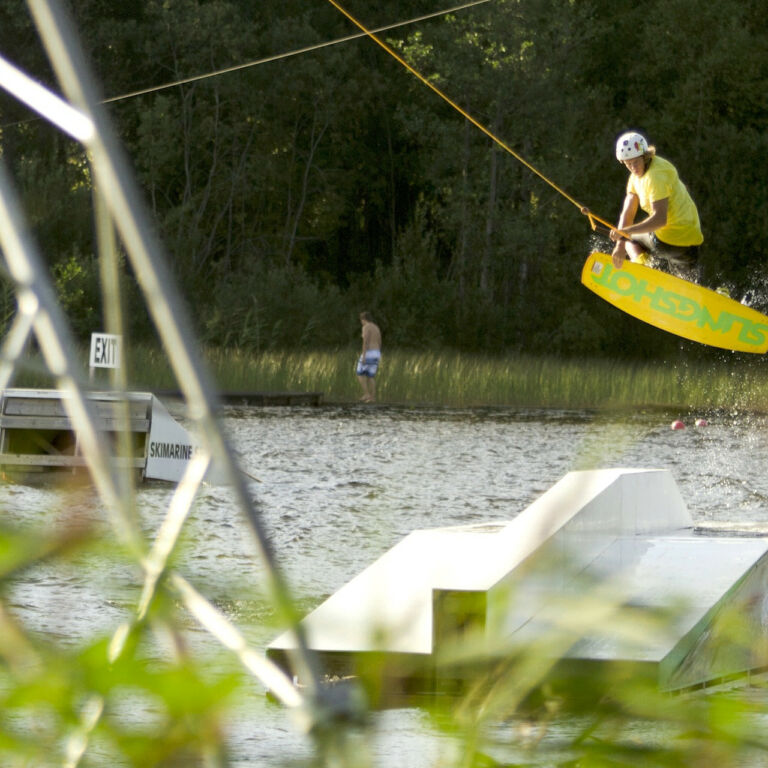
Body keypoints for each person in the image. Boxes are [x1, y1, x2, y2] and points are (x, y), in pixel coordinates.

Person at [609, 131, 703, 282]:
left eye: (636, 162)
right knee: (686, 283)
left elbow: (660, 219)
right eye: (628, 164)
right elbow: (628, 212)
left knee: (630, 236)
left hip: (671, 239)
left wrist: (625, 233)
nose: (633, 168)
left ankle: (643, 268)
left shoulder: (655, 175)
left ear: (644, 156)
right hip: (689, 243)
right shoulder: (637, 177)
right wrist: (619, 247)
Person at [356, 311, 381, 403]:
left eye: (361, 320)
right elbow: (379, 341)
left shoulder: (366, 327)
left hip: (369, 352)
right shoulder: (376, 327)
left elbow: (365, 341)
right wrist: (378, 353)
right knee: (371, 376)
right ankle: (373, 397)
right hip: (377, 352)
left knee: (359, 373)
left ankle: (366, 394)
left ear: (363, 319)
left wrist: (364, 355)